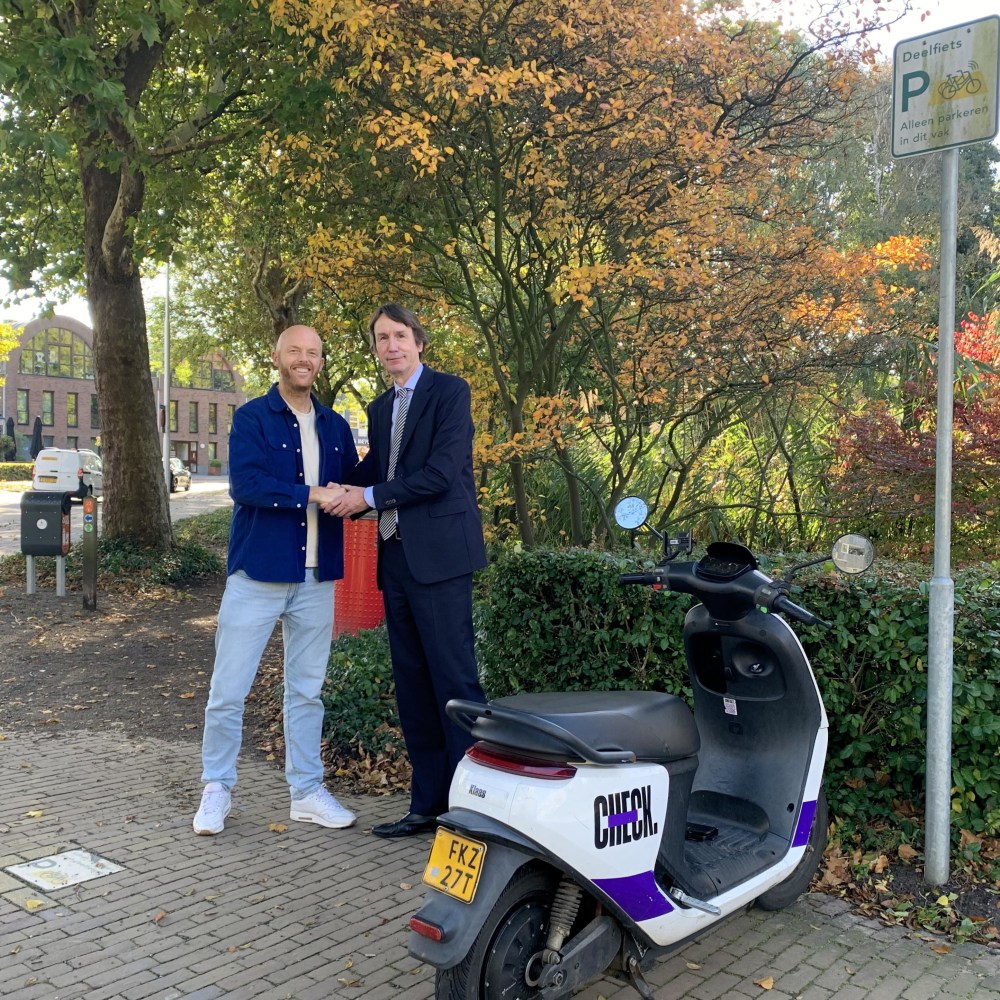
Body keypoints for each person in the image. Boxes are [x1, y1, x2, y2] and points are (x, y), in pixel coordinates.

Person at [325, 303, 487, 838]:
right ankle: (427, 805)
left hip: (441, 558)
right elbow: (378, 469)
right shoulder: (380, 407)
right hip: (395, 557)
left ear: (419, 341)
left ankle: (472, 810)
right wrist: (333, 487)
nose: (391, 345)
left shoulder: (449, 392)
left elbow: (440, 474)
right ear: (375, 349)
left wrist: (366, 496)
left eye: (399, 335)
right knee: (413, 683)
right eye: (381, 338)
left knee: (454, 681)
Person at [194, 324, 359, 836]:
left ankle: (306, 791)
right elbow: (246, 485)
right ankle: (217, 787)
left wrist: (365, 497)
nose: (303, 359)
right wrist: (313, 493)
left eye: (313, 352)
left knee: (307, 692)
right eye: (294, 351)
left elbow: (353, 489)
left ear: (321, 362)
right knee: (228, 690)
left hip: (317, 578)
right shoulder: (252, 418)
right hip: (258, 574)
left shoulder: (336, 426)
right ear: (276, 357)